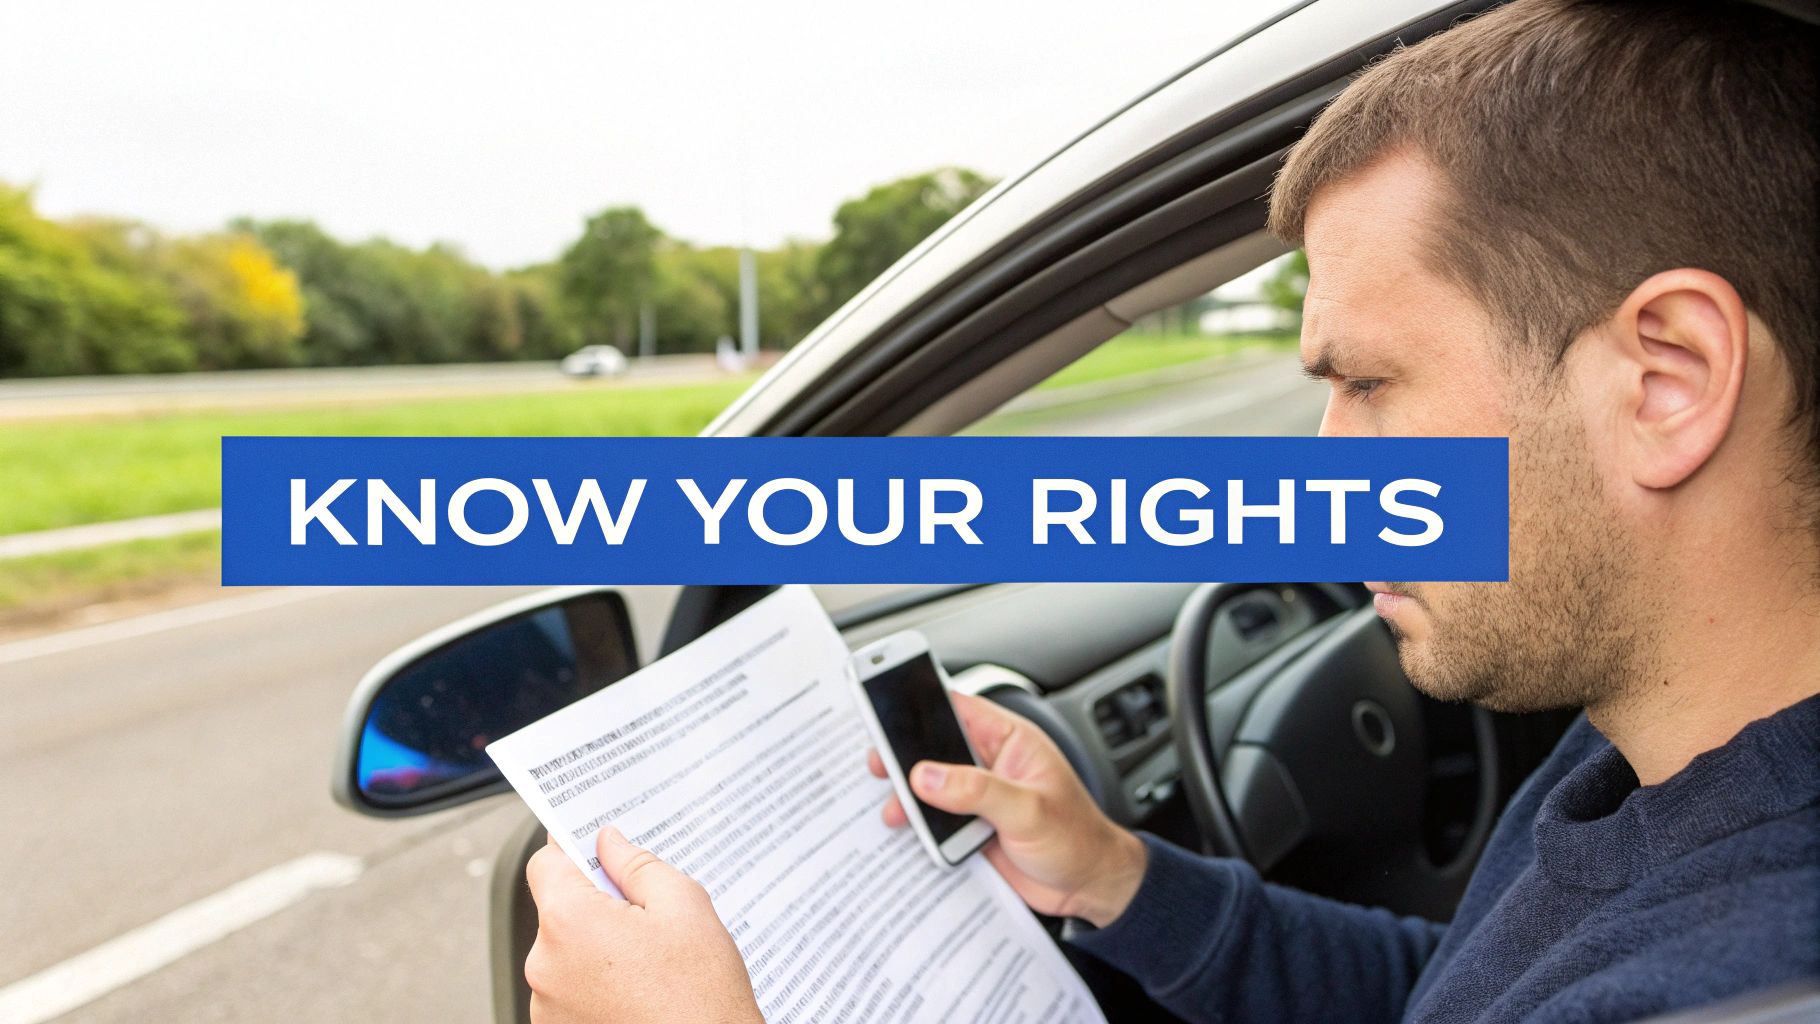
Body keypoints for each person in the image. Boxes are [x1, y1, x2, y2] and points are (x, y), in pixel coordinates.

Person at [517, 1, 1820, 1020]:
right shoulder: (1646, 751)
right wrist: (1119, 876)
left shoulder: (1755, 969)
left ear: (1669, 380)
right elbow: (1448, 996)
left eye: (1370, 383)